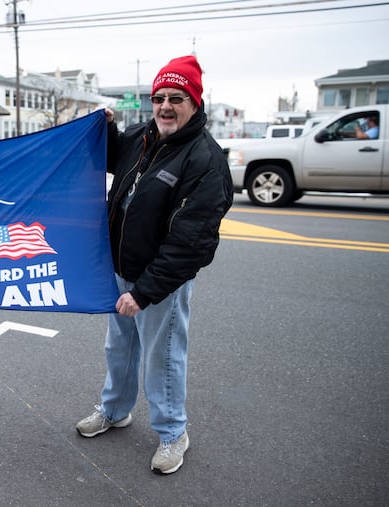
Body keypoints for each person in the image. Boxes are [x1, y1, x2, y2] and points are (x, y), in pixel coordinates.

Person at [76, 55, 233, 474]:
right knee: (120, 347)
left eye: (176, 98)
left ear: (194, 103)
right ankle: (115, 410)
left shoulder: (205, 161)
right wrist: (105, 128)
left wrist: (145, 292)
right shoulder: (143, 137)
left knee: (162, 358)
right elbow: (111, 158)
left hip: (158, 281)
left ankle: (172, 433)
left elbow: (190, 243)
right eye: (159, 97)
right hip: (121, 271)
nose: (165, 106)